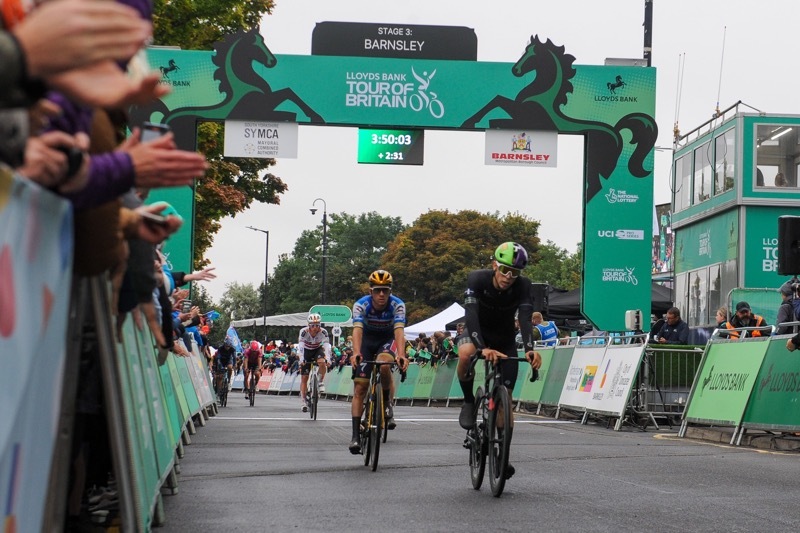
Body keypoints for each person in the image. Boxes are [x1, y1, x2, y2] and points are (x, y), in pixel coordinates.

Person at [456, 242, 542, 480]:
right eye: (504, 270)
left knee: (506, 400)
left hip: (504, 339)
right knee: (465, 354)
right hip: (476, 333)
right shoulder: (477, 279)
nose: (508, 277)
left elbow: (525, 318)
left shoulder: (523, 286)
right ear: (494, 265)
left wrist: (530, 349)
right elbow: (470, 315)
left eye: (514, 273)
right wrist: (481, 348)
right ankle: (468, 401)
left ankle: (502, 455)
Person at [348, 269, 409, 454]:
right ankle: (355, 436)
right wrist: (356, 352)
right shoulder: (361, 305)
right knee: (360, 388)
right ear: (370, 291)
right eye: (377, 290)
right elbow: (357, 331)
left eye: (385, 290)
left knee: (384, 365)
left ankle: (387, 404)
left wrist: (401, 354)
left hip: (386, 340)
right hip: (367, 340)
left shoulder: (398, 305)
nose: (381, 294)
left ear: (390, 291)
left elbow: (399, 331)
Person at [297, 313, 331, 412]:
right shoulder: (303, 332)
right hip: (306, 352)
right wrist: (301, 358)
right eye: (312, 325)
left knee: (322, 362)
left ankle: (320, 381)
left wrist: (328, 359)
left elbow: (327, 347)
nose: (315, 328)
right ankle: (303, 401)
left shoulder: (324, 332)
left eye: (317, 325)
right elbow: (301, 346)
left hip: (317, 349)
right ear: (309, 325)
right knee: (304, 377)